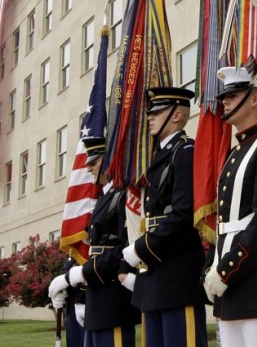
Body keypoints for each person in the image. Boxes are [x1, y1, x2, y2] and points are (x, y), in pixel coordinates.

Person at [202, 67, 257, 346]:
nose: (224, 101)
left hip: (252, 281)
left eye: (232, 95)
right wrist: (212, 266)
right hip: (228, 282)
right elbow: (224, 223)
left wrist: (227, 270)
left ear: (255, 99)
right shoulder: (235, 151)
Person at [121, 87, 207, 347]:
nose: (150, 117)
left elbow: (182, 215)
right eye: (150, 112)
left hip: (177, 275)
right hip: (156, 276)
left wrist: (140, 248)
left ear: (178, 115)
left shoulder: (185, 153)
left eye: (157, 112)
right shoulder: (161, 157)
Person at [60, 136, 140, 347]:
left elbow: (123, 247)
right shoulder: (106, 197)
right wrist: (82, 296)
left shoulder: (123, 195)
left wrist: (81, 274)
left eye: (94, 162)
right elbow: (95, 252)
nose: (88, 168)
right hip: (98, 296)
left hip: (113, 299)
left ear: (110, 160)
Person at [49, 255, 86, 346]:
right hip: (71, 311)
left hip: (89, 306)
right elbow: (66, 273)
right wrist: (59, 291)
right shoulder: (71, 255)